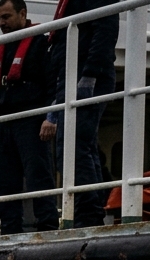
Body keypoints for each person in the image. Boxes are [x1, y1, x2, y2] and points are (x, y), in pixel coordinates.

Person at [0, 0, 58, 234]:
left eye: (6, 17)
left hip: (32, 119)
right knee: (5, 181)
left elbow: (53, 84)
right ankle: (9, 231)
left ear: (22, 14)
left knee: (38, 175)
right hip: (5, 122)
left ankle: (48, 227)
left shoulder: (40, 44)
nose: (2, 23)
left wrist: (51, 116)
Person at [41, 0, 119, 228]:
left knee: (75, 147)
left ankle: (88, 215)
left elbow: (105, 29)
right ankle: (90, 211)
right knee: (80, 147)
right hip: (71, 78)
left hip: (85, 77)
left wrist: (90, 75)